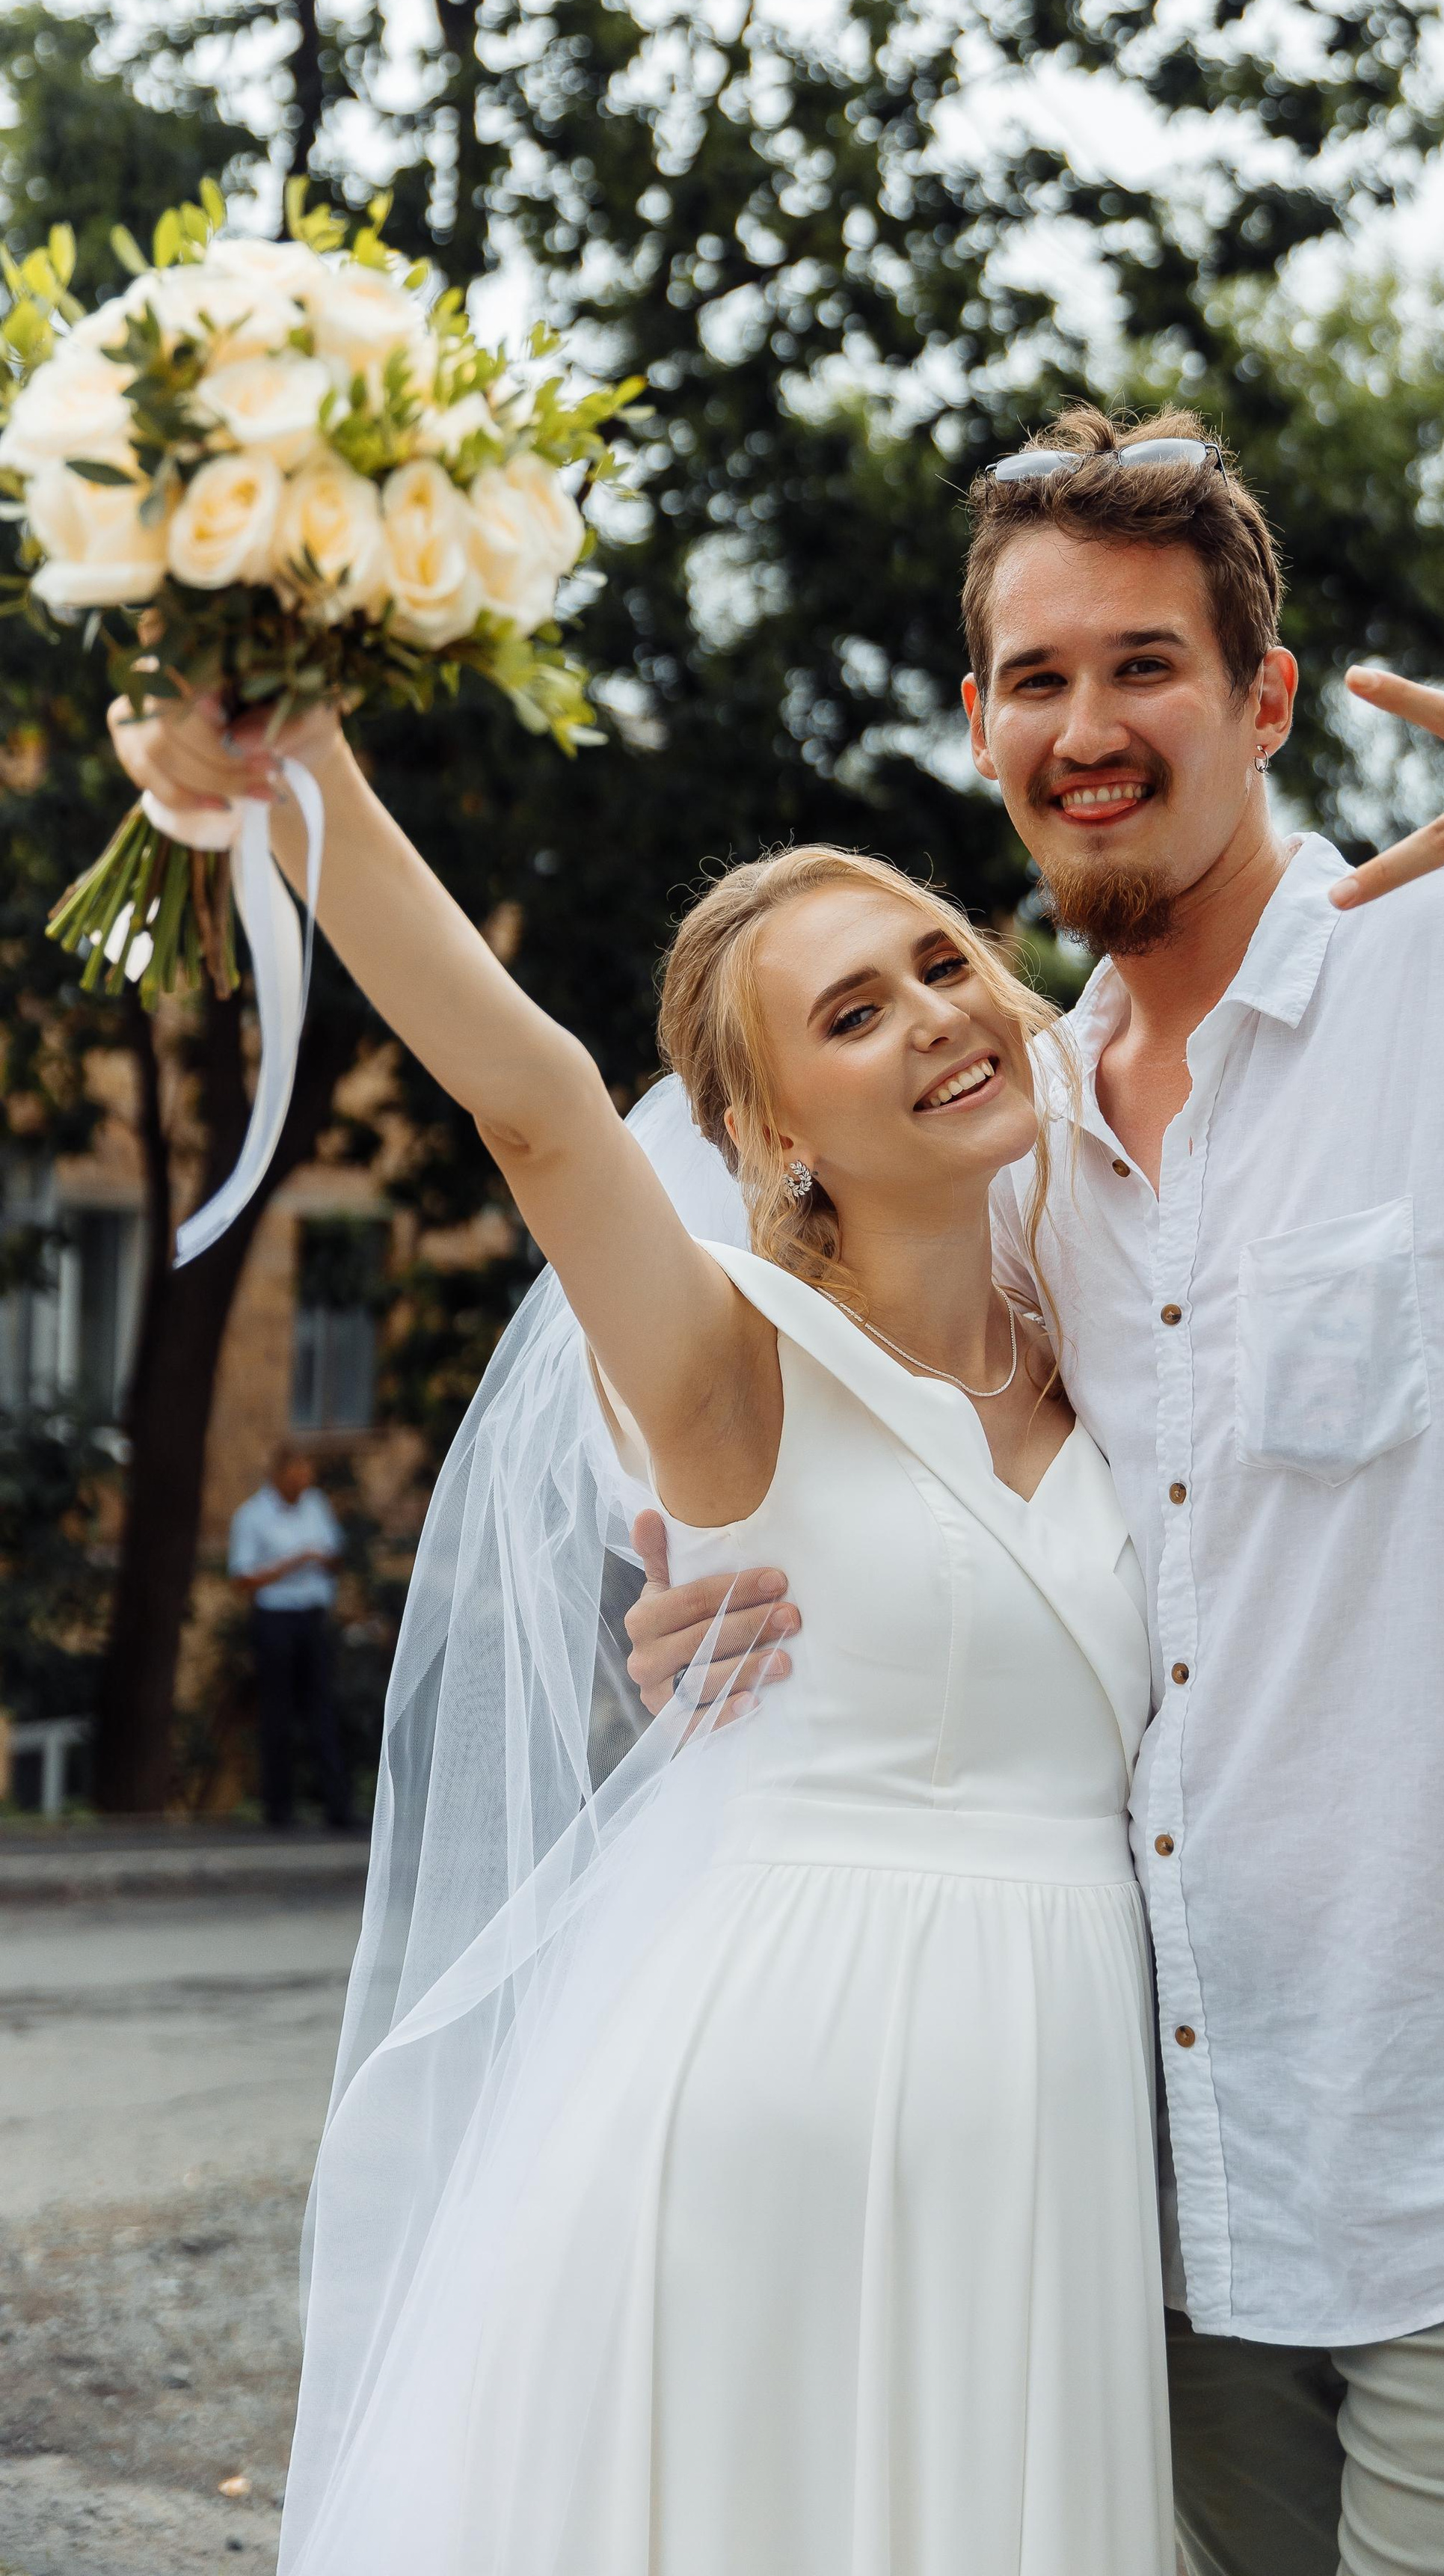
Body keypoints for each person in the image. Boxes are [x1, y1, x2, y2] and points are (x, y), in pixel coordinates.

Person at [626, 406, 1444, 2576]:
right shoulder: (1013, 1140)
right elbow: (923, 1482)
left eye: (1145, 664)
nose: (1089, 724)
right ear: (980, 725)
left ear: (1266, 702)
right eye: (1038, 678)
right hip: (1159, 2183)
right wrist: (712, 1605)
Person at [112, 683, 1185, 2572]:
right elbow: (527, 1103)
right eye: (850, 1013)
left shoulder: (1115, 1343)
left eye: (938, 960)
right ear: (769, 1129)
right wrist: (306, 767)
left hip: (1051, 2109)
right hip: (772, 2086)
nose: (931, 1012)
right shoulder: (725, 1365)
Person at [226, 1442, 350, 1830]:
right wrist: (295, 1562)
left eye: (307, 1478)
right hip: (275, 1617)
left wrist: (324, 1560)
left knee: (322, 1710)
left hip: (312, 1616)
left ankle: (337, 1805)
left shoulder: (316, 1505)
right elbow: (242, 1578)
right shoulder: (252, 1516)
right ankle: (278, 1809)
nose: (303, 1486)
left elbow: (335, 1554)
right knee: (277, 1712)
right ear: (279, 1477)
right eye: (296, 1478)